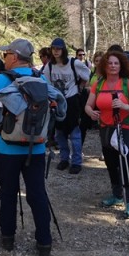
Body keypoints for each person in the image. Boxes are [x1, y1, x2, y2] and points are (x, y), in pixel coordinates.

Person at [0, 38, 56, 256]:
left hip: (7, 149)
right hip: (37, 148)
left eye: (6, 55)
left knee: (8, 193)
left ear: (14, 57)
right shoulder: (41, 78)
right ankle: (44, 243)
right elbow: (57, 107)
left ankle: (8, 238)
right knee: (37, 194)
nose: (3, 58)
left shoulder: (3, 79)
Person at [84, 51, 129, 217]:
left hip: (126, 128)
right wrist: (90, 112)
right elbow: (88, 105)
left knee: (127, 164)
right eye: (109, 63)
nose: (112, 66)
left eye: (116, 63)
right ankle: (117, 195)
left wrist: (126, 107)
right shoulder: (99, 83)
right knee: (111, 163)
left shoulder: (128, 84)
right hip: (106, 128)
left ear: (121, 65)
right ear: (104, 65)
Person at [42, 37, 91, 174]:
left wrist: (79, 86)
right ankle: (64, 159)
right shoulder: (50, 66)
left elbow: (87, 75)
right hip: (57, 100)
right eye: (53, 49)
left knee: (75, 132)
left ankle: (76, 161)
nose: (56, 51)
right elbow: (44, 81)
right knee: (60, 133)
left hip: (72, 100)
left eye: (58, 48)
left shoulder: (73, 63)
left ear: (63, 50)